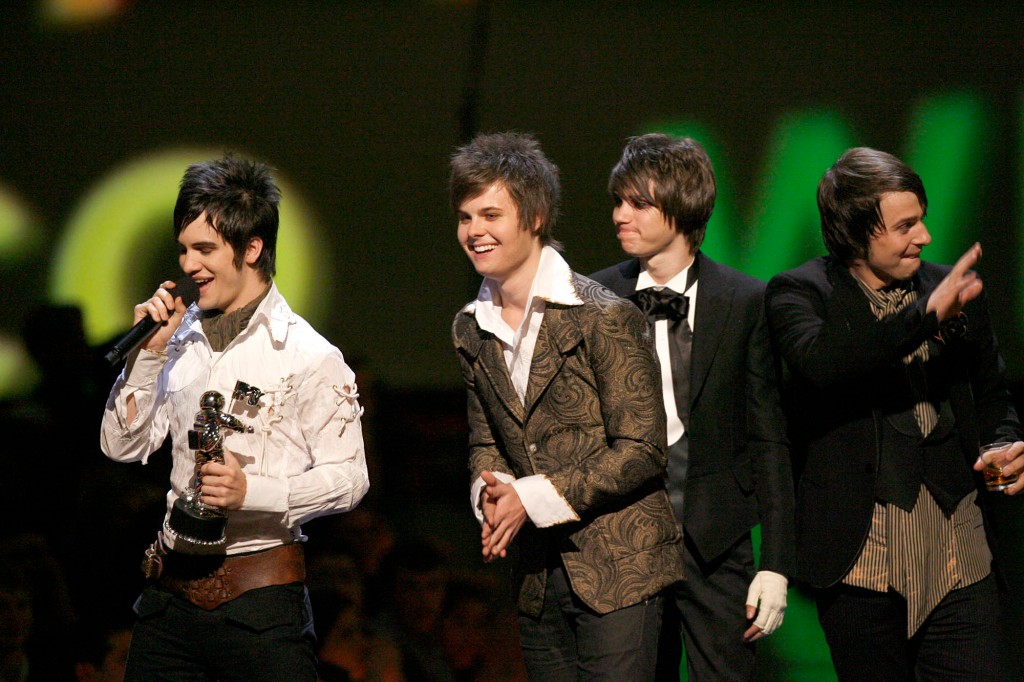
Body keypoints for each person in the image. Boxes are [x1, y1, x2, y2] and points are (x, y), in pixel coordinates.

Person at [100, 155, 369, 681]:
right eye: (183, 249)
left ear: (252, 248)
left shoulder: (308, 355)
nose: (189, 265)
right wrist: (147, 355)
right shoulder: (175, 341)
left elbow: (351, 478)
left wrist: (255, 492)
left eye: (205, 249)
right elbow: (121, 446)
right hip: (168, 603)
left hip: (260, 609)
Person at [765, 146, 1024, 680]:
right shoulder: (800, 294)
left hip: (960, 555)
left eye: (922, 219)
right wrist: (924, 317)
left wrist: (1003, 452)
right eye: (906, 225)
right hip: (863, 564)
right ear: (856, 233)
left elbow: (993, 395)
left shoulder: (952, 287)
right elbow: (826, 364)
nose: (924, 236)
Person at [450, 131, 685, 681]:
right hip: (537, 575)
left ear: (533, 217)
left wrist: (529, 497)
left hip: (620, 567)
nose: (474, 232)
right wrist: (490, 493)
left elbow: (643, 449)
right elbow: (487, 435)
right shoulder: (469, 328)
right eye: (465, 217)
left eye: (490, 214)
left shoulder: (601, 315)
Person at [590, 133, 794, 681]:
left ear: (681, 208)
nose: (619, 216)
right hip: (623, 550)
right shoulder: (592, 299)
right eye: (618, 201)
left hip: (716, 546)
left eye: (638, 203)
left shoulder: (746, 301)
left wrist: (776, 562)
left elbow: (769, 437)